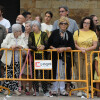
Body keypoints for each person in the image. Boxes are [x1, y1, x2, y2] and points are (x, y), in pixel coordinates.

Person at [47, 16, 75, 96]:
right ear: (59, 24)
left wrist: (64, 49)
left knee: (62, 73)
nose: (63, 25)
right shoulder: (55, 32)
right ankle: (54, 89)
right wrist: (55, 49)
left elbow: (72, 46)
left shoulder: (69, 34)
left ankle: (62, 89)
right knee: (55, 72)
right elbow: (49, 44)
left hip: (65, 56)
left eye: (65, 23)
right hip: (55, 55)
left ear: (67, 25)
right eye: (61, 23)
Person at [73, 16, 98, 97]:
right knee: (78, 71)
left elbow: (94, 45)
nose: (85, 24)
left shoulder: (93, 33)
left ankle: (85, 89)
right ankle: (79, 89)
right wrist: (81, 49)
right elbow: (75, 43)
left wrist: (86, 50)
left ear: (90, 25)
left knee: (86, 72)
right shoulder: (77, 32)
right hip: (78, 53)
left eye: (87, 23)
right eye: (84, 22)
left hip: (88, 54)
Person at [1, 24, 27, 96]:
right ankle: (7, 89)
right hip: (9, 59)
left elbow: (25, 45)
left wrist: (19, 46)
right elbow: (3, 45)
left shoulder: (20, 37)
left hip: (17, 59)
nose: (21, 32)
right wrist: (10, 46)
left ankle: (15, 89)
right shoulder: (9, 36)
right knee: (8, 74)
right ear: (15, 32)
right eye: (20, 31)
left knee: (16, 74)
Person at [28, 20, 49, 96]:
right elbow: (29, 44)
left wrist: (43, 46)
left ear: (39, 26)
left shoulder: (43, 34)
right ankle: (36, 90)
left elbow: (47, 44)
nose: (33, 28)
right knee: (34, 74)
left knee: (44, 73)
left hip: (43, 55)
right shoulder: (31, 34)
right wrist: (36, 48)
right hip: (34, 55)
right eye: (32, 26)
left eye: (35, 26)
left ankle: (45, 90)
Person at [21, 21, 33, 95]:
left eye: (28, 26)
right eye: (25, 26)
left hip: (31, 56)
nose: (26, 27)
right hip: (22, 56)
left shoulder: (32, 35)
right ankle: (24, 88)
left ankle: (30, 89)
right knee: (23, 73)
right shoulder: (22, 35)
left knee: (30, 73)